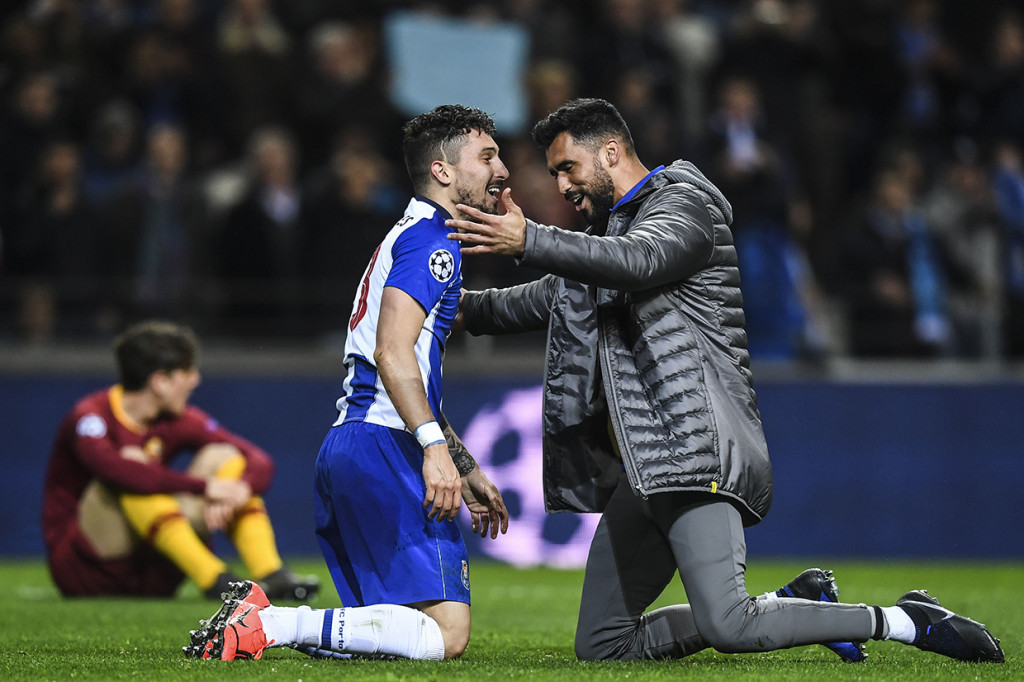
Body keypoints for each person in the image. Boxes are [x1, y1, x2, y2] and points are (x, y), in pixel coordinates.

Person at [445, 98, 1004, 663]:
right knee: (603, 645)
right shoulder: (604, 245)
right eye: (555, 172)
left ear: (610, 152)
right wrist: (434, 295)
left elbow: (639, 260)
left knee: (731, 623)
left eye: (568, 167)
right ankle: (793, 603)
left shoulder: (686, 206)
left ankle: (903, 620)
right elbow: (526, 302)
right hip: (646, 467)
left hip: (695, 449)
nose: (562, 185)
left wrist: (533, 240)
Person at [185, 104, 510, 662]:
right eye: (486, 157)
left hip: (355, 441)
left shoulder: (405, 236)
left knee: (388, 636)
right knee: (445, 636)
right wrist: (433, 449)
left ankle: (276, 626)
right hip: (385, 444)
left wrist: (464, 464)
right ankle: (269, 623)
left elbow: (406, 373)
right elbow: (391, 352)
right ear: (443, 171)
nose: (501, 169)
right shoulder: (432, 244)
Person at [42, 320, 319, 601]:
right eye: (187, 371)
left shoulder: (178, 419)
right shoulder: (91, 416)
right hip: (87, 571)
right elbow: (114, 469)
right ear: (160, 381)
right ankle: (215, 579)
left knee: (223, 456)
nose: (195, 379)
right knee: (131, 464)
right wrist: (205, 487)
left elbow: (259, 460)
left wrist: (240, 490)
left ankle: (272, 573)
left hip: (155, 568)